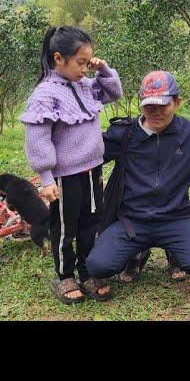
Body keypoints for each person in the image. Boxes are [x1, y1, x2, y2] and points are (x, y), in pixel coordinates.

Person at [86, 71, 190, 294]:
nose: (155, 113)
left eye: (163, 106)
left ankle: (173, 250)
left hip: (173, 219)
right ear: (141, 105)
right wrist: (52, 171)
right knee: (98, 265)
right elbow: (88, 153)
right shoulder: (126, 134)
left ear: (177, 102)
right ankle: (138, 250)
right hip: (131, 222)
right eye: (149, 106)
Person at [20, 26, 122, 304]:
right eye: (81, 63)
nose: (85, 69)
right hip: (65, 176)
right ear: (58, 59)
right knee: (66, 227)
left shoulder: (86, 85)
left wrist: (104, 70)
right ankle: (65, 275)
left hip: (92, 170)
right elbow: (37, 138)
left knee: (91, 221)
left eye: (88, 63)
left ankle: (87, 271)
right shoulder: (45, 94)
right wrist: (46, 177)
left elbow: (114, 93)